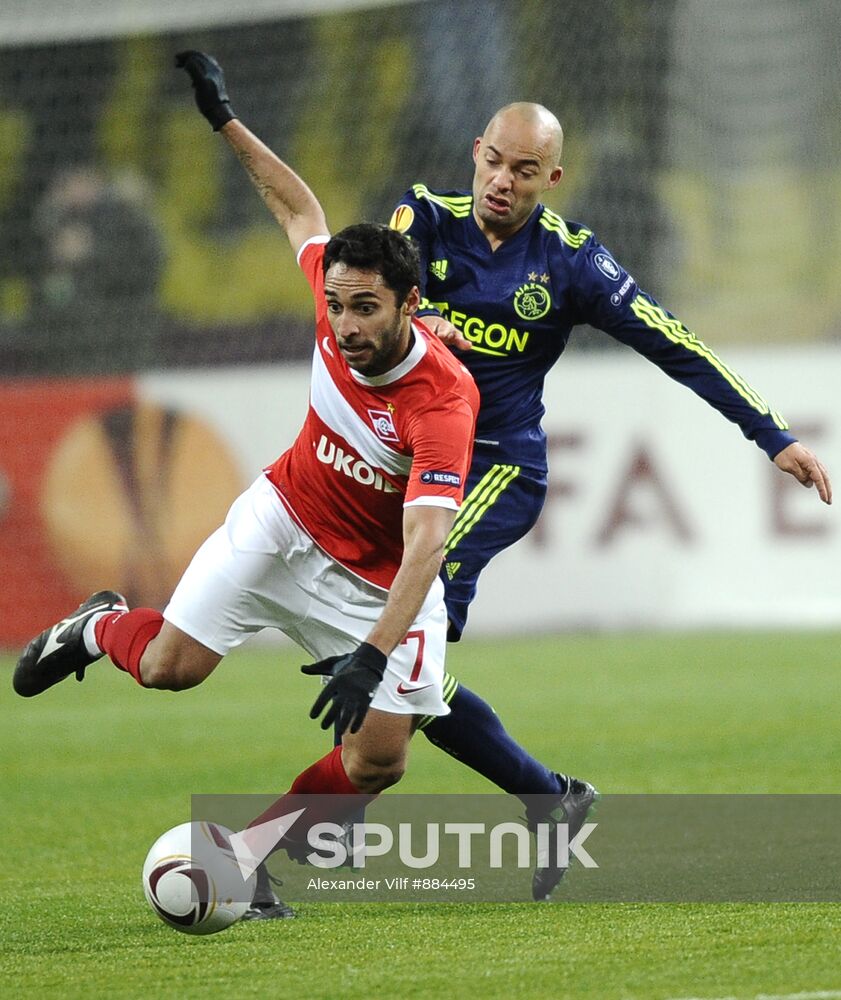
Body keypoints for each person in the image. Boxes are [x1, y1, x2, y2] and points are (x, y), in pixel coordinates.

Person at [12, 51, 482, 920]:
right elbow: (295, 205)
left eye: (366, 309)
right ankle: (98, 625)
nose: (344, 326)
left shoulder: (441, 400)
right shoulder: (333, 296)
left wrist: (373, 653)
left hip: (380, 579)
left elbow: (426, 545)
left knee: (380, 760)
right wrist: (224, 122)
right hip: (284, 521)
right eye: (336, 305)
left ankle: (251, 859)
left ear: (408, 305)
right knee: (166, 669)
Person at [378, 101, 833, 893]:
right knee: (402, 670)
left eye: (525, 171)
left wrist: (772, 434)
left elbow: (675, 344)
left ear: (551, 179)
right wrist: (421, 321)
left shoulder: (571, 263)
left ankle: (291, 842)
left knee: (398, 647)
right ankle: (550, 800)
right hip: (412, 467)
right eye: (495, 161)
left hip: (495, 471)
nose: (502, 182)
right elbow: (357, 303)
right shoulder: (419, 221)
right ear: (475, 152)